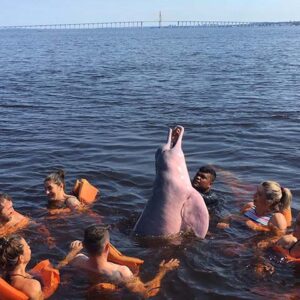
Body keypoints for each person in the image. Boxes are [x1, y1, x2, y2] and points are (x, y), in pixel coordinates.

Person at [59, 225, 180, 298]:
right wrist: (162, 271)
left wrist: (72, 252)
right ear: (107, 247)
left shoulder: (76, 260)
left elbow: (59, 267)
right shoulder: (121, 272)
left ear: (84, 245)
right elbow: (145, 293)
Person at [217, 181, 292, 233]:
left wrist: (256, 227)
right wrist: (225, 220)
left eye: (259, 194)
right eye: (256, 192)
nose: (254, 195)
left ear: (269, 201)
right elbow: (234, 215)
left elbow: (278, 237)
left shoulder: (276, 218)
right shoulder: (249, 206)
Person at [0, 235, 43, 300]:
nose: (29, 246)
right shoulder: (32, 286)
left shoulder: (3, 277)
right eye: (26, 246)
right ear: (21, 258)